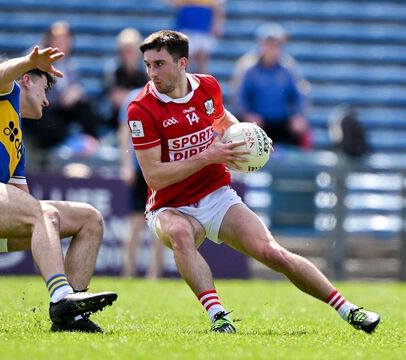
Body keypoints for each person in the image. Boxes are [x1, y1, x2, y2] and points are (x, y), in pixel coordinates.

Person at [127, 30, 380, 334]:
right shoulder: (140, 109)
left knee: (273, 253)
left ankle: (349, 310)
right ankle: (219, 317)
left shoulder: (207, 86)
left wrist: (249, 138)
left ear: (182, 63)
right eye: (148, 65)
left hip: (215, 194)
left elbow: (222, 120)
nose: (152, 73)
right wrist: (208, 156)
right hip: (170, 206)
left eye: (159, 64)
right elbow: (154, 175)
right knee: (181, 234)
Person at [0, 45, 117, 333]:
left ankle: (71, 317)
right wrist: (28, 62)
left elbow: (23, 203)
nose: (47, 101)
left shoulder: (17, 141)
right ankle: (61, 298)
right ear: (26, 80)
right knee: (42, 213)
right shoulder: (0, 94)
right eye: (45, 89)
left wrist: (47, 232)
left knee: (89, 219)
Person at [22, 21, 101, 166]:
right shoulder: (36, 60)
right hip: (39, 112)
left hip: (59, 111)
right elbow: (32, 93)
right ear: (49, 40)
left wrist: (76, 93)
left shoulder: (71, 65)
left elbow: (76, 88)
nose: (61, 43)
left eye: (65, 39)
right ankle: (52, 152)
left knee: (84, 106)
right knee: (53, 128)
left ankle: (93, 142)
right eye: (57, 39)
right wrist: (60, 97)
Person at [234, 23, 311, 148]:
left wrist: (299, 116)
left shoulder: (288, 68)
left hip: (282, 121)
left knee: (300, 128)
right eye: (268, 44)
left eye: (276, 44)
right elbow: (239, 96)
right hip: (257, 122)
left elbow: (300, 95)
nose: (272, 48)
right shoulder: (248, 68)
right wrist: (247, 114)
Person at [118, 88, 164, 279]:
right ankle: (129, 272)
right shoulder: (134, 98)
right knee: (136, 223)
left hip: (163, 170)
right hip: (142, 169)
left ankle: (154, 274)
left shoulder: (164, 96)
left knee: (161, 225)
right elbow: (124, 134)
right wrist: (127, 165)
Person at [104, 28, 149, 132]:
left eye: (131, 50)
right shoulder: (113, 69)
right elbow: (116, 99)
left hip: (143, 120)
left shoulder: (147, 70)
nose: (128, 55)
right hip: (116, 121)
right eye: (125, 50)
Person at [169, 0, 225, 74]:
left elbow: (218, 7)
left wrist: (217, 25)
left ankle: (203, 83)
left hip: (203, 27)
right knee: (185, 59)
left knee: (202, 61)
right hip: (186, 26)